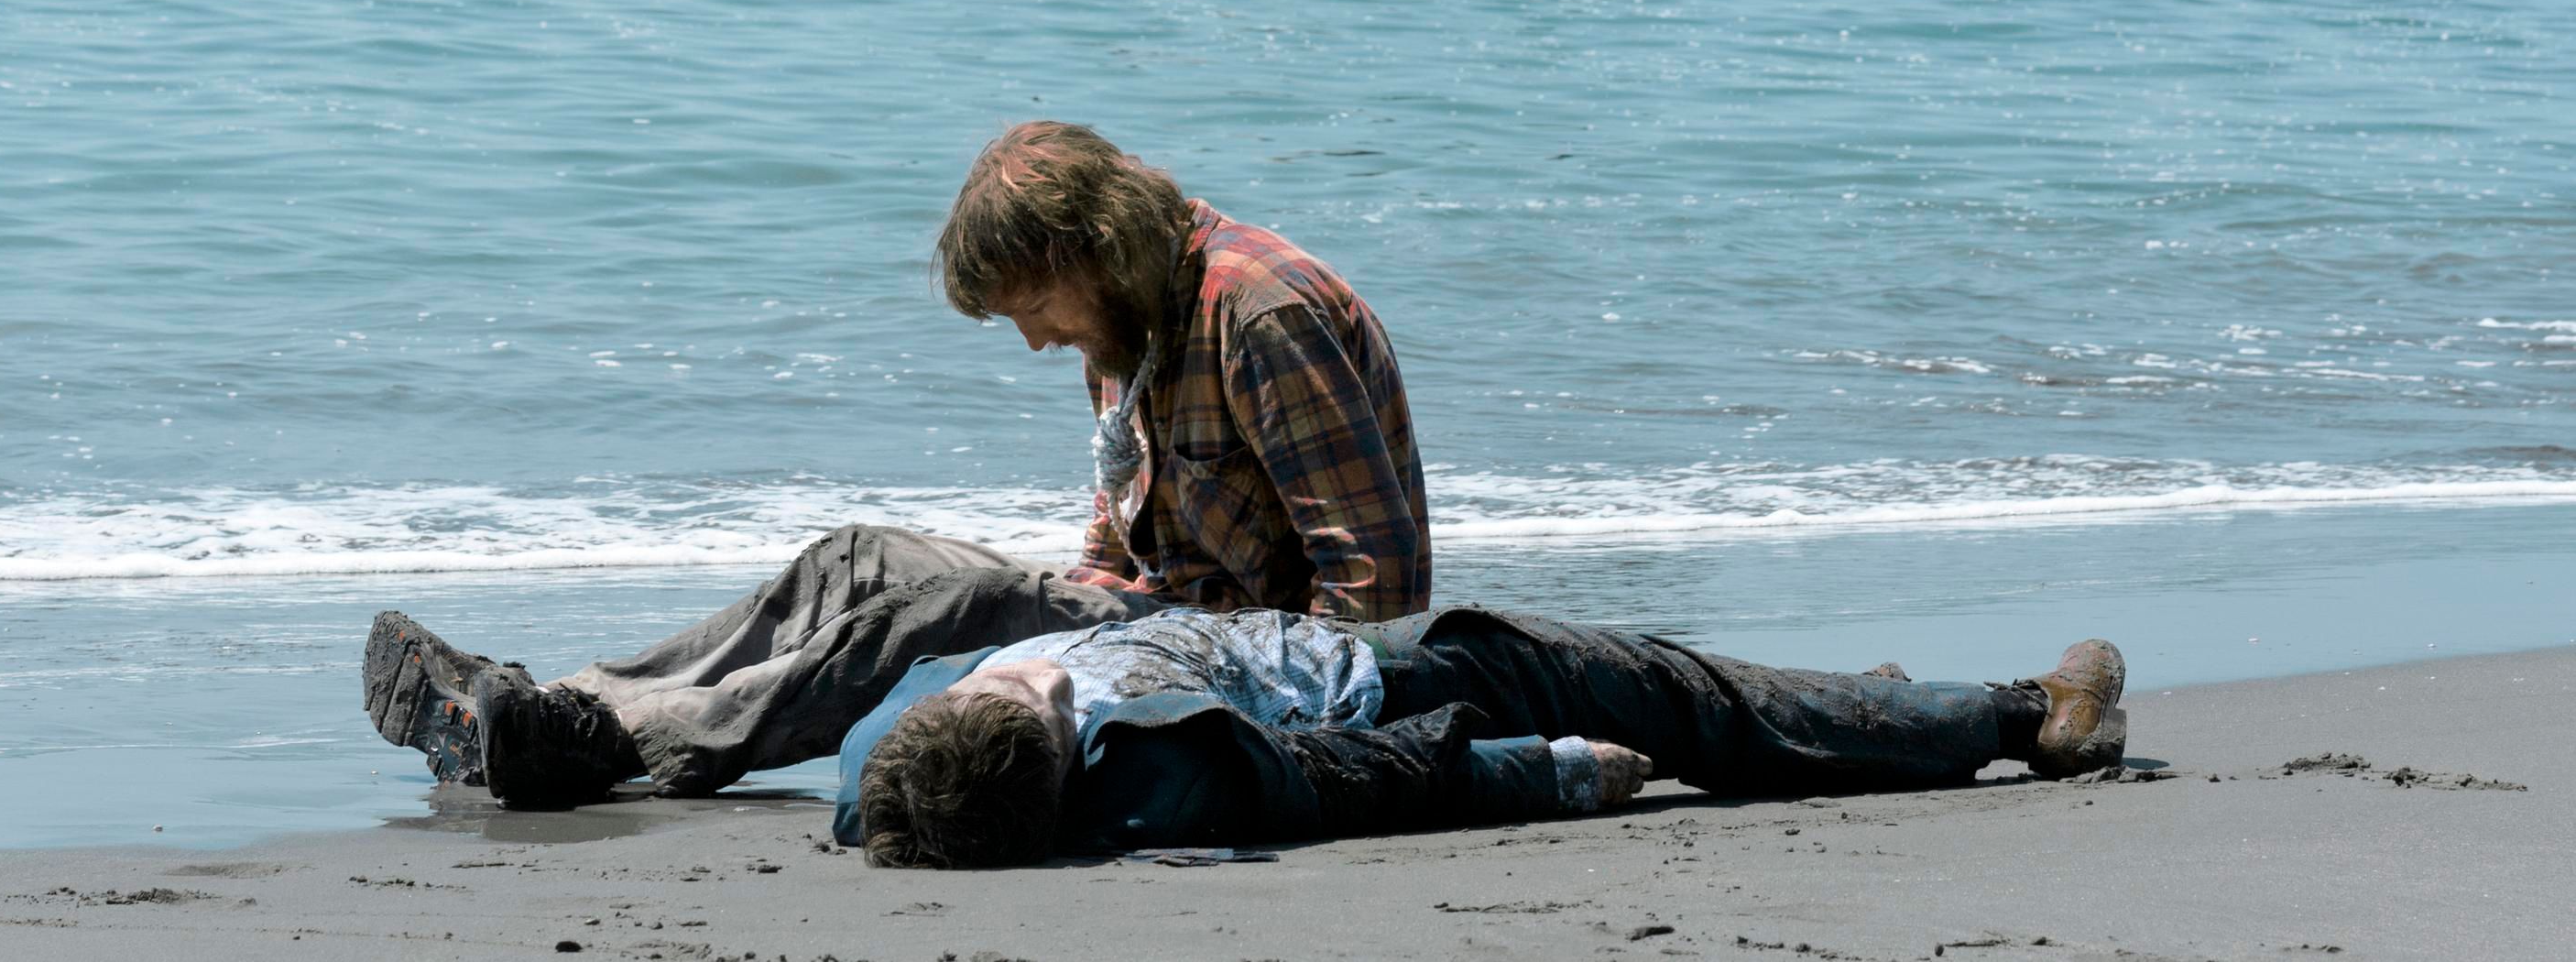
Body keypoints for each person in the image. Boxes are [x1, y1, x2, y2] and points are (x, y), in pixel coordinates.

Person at [364, 121, 1431, 807]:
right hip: (1166, 609)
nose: (1035, 341)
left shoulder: (1257, 313)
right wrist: (1064, 604)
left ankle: (618, 746)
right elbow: (1116, 540)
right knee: (861, 559)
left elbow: (1377, 595)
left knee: (953, 610)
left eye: (1033, 308)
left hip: (1253, 662)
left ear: (1093, 248)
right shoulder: (1131, 314)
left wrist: (1247, 718)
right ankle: (561, 705)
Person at [837, 606, 2131, 868]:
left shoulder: (883, 772)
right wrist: (1544, 775)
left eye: (999, 691)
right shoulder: (1159, 773)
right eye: (1042, 708)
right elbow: (1353, 779)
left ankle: (1849, 714)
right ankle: (2024, 715)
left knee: (1710, 699)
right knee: (1668, 692)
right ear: (1064, 756)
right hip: (1394, 680)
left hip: (1319, 642)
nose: (1036, 679)